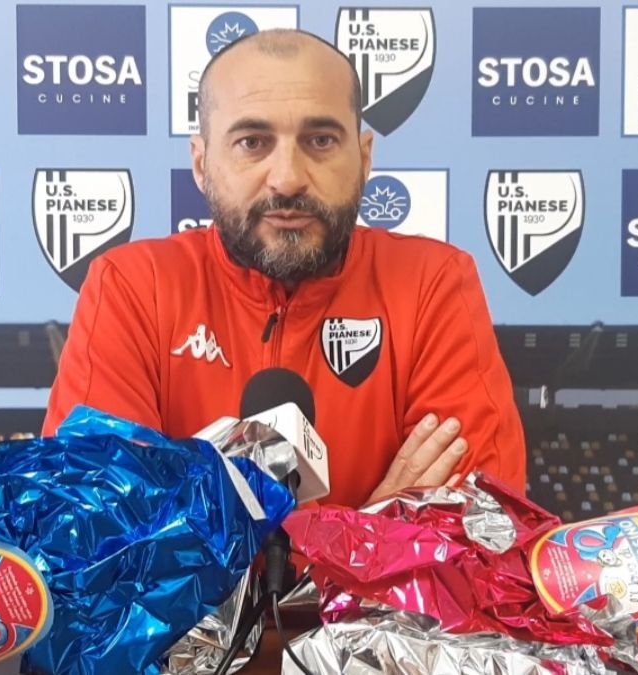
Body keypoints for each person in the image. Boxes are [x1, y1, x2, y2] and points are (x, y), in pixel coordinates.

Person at [43, 29, 525, 507]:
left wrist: (187, 518)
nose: (288, 178)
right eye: (253, 142)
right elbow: (98, 525)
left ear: (363, 159)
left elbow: (482, 526)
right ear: (202, 164)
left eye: (320, 140)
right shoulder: (134, 286)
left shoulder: (430, 283)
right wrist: (370, 529)